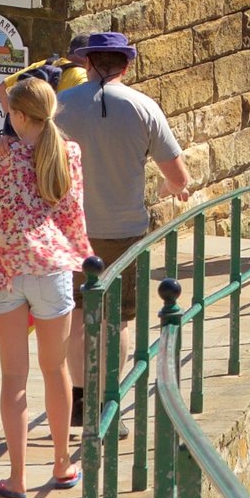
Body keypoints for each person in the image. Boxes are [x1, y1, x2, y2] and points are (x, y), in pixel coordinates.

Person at [58, 31, 192, 434]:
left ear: (86, 63)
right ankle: (107, 400)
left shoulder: (60, 107)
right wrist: (167, 190)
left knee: (77, 314)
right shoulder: (144, 107)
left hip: (71, 230)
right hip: (125, 229)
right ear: (126, 65)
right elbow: (178, 176)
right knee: (119, 318)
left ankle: (78, 400)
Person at [0, 73, 88, 498]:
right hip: (52, 268)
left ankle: (17, 476)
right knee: (55, 369)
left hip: (5, 270)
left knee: (13, 376)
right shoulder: (69, 152)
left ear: (19, 115)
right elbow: (74, 213)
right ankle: (61, 465)